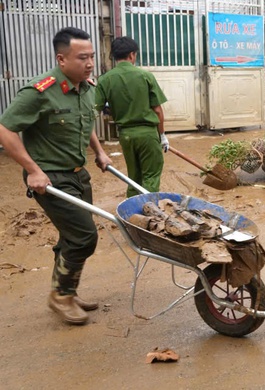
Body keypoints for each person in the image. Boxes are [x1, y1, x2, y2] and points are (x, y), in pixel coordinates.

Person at [0, 27, 112, 325]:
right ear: (61, 59)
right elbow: (5, 129)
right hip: (49, 178)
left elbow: (83, 122)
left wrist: (99, 151)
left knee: (71, 236)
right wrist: (33, 171)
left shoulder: (85, 88)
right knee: (84, 237)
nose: (89, 63)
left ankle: (66, 290)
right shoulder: (40, 91)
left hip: (78, 175)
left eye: (91, 57)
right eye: (82, 58)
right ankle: (60, 297)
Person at [96, 37, 169, 197]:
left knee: (134, 176)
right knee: (151, 175)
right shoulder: (145, 76)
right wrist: (162, 135)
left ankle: (131, 212)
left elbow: (96, 109)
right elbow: (157, 110)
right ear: (132, 55)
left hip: (126, 136)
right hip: (148, 134)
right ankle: (149, 212)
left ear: (114, 56)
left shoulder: (104, 80)